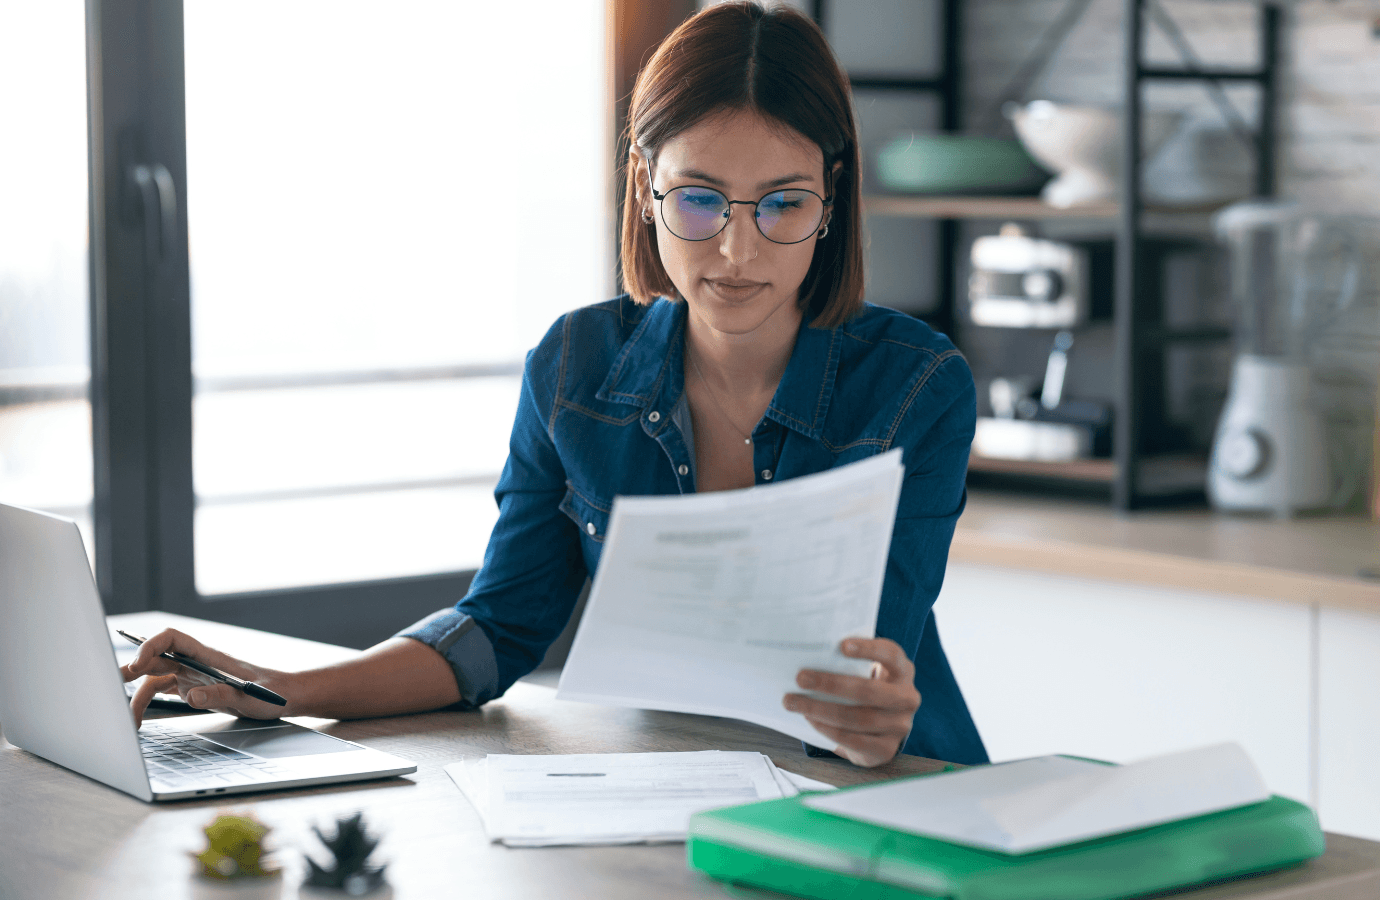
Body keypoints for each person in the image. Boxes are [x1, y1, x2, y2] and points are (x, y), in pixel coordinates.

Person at [123, 1, 989, 768]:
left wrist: (872, 720)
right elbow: (496, 632)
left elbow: (874, 667)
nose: (737, 250)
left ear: (831, 200)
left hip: (888, 788)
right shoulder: (575, 367)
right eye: (698, 199)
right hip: (671, 791)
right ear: (645, 188)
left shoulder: (917, 387)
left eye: (782, 204)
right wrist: (280, 688)